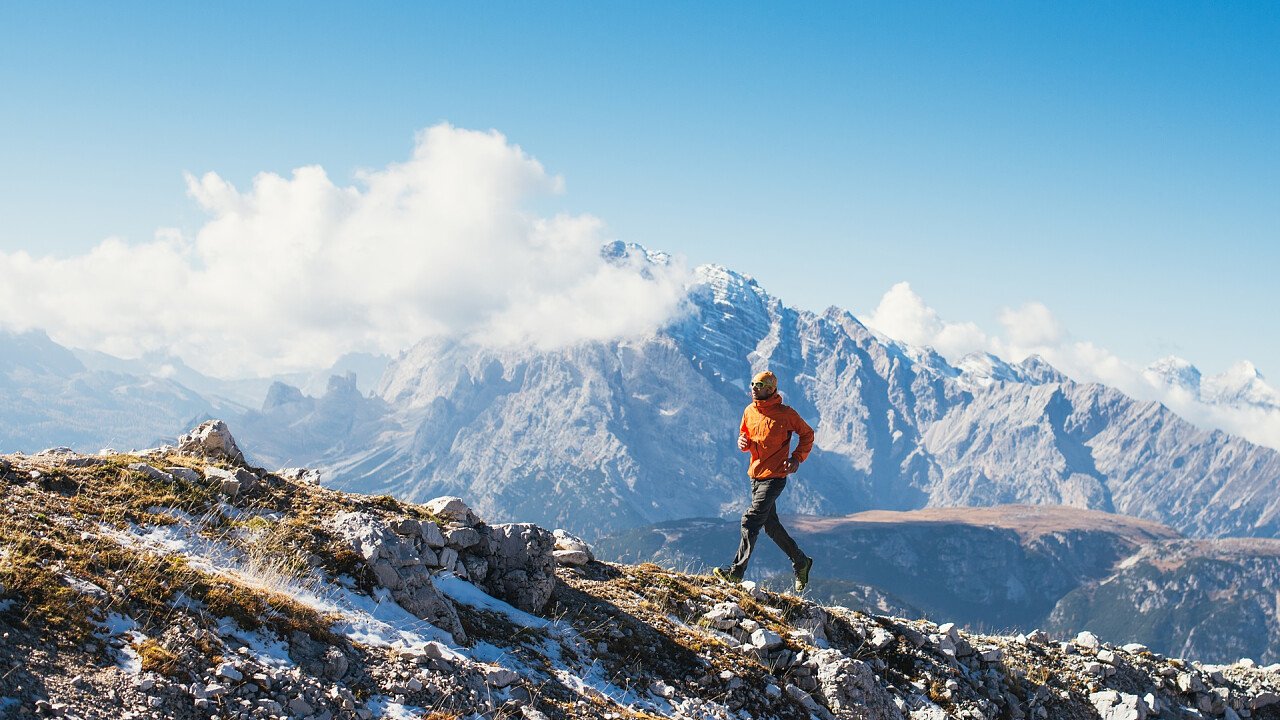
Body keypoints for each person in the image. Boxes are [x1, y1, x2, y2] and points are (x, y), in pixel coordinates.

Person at [713, 370, 815, 592]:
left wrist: (797, 458)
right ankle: (801, 561)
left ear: (771, 389)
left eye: (758, 385)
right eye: (752, 384)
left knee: (750, 521)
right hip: (755, 476)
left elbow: (807, 434)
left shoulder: (786, 414)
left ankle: (735, 573)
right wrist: (743, 443)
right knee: (771, 527)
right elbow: (746, 438)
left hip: (775, 478)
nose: (753, 388)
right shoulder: (749, 411)